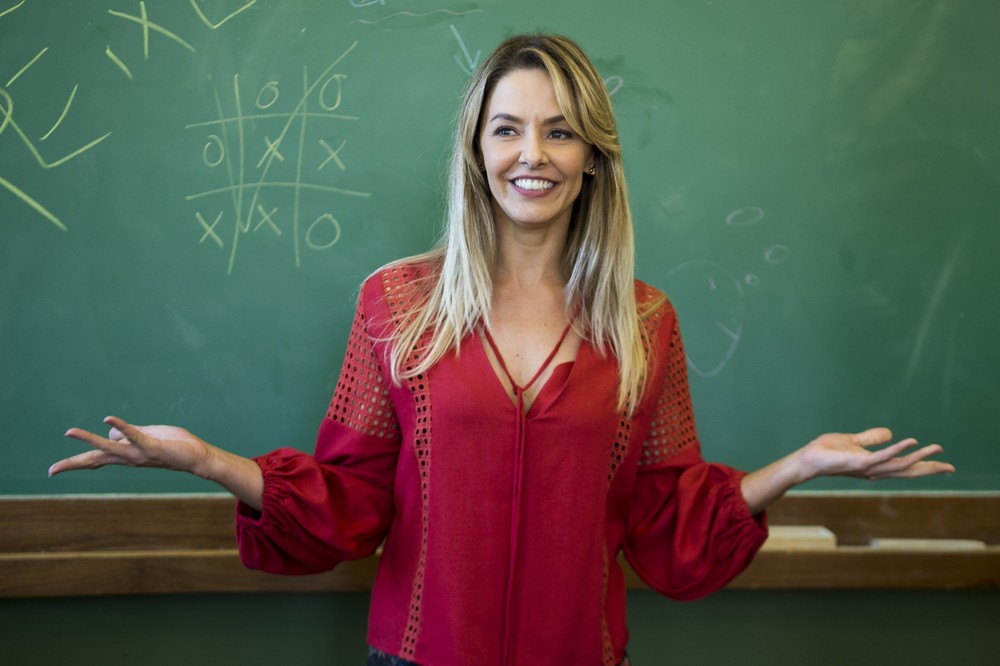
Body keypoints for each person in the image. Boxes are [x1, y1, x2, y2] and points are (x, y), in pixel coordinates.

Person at [50, 33, 954, 666]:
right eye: (509, 128)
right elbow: (351, 502)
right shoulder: (396, 303)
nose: (535, 153)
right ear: (477, 149)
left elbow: (665, 522)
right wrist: (209, 462)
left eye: (561, 130)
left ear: (594, 156)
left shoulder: (645, 322)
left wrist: (796, 466)